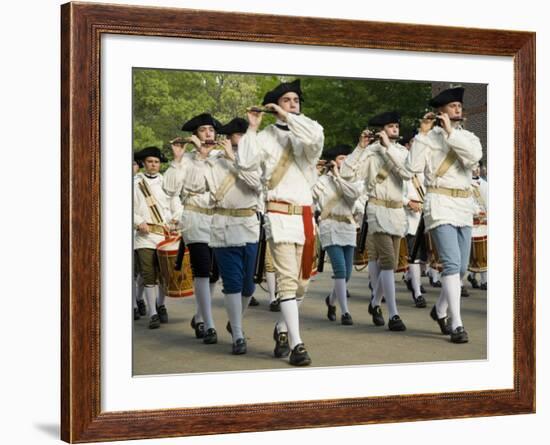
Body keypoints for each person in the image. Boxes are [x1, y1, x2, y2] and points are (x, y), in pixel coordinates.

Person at [237, 79, 324, 366]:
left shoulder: (307, 132)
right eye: (286, 100)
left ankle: (283, 329)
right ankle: (298, 345)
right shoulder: (264, 137)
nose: (292, 104)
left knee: (302, 285)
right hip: (279, 215)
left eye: (295, 100)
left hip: (306, 218)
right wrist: (252, 126)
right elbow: (245, 162)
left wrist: (289, 117)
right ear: (275, 106)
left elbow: (315, 139)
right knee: (287, 282)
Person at [408, 87, 483, 343]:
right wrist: (422, 134)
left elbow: (474, 159)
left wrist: (451, 132)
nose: (458, 110)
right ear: (441, 112)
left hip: (463, 206)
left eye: (459, 107)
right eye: (452, 107)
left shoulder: (469, 137)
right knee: (451, 264)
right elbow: (413, 168)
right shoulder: (427, 139)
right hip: (439, 204)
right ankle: (457, 323)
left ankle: (439, 310)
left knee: (460, 268)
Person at [340, 111, 411, 331]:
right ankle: (394, 314)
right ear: (382, 130)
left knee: (388, 264)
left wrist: (388, 147)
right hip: (378, 209)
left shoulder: (401, 151)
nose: (395, 129)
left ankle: (374, 303)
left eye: (396, 126)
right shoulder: (370, 152)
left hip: (398, 212)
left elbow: (408, 174)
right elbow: (347, 174)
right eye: (390, 127)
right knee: (388, 261)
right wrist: (360, 147)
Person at [163, 113, 222, 345]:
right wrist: (178, 160)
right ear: (194, 136)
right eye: (203, 130)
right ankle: (209, 325)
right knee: (202, 270)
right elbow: (170, 190)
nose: (208, 134)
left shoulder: (220, 157)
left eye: (211, 130)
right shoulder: (186, 159)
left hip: (218, 219)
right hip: (195, 218)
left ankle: (199, 316)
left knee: (215, 274)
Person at [205, 117, 262, 354]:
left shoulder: (256, 159)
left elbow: (257, 186)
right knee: (233, 283)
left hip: (249, 226)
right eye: (241, 135)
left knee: (249, 286)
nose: (246, 140)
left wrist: (235, 161)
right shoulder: (212, 161)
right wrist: (206, 156)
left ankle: (234, 321)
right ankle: (238, 334)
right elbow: (197, 186)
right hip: (223, 226)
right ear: (229, 138)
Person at [312, 144, 363, 325]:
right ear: (333, 161)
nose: (345, 161)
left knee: (347, 273)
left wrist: (339, 178)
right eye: (342, 158)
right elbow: (311, 195)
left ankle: (331, 301)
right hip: (329, 226)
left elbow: (352, 196)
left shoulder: (353, 179)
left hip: (348, 226)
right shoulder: (321, 181)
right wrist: (315, 171)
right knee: (340, 270)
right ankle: (345, 311)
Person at [133, 147, 182, 329]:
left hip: (164, 234)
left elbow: (176, 201)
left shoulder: (166, 182)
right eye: (149, 162)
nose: (153, 165)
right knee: (148, 274)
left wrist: (177, 217)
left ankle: (161, 305)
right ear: (144, 164)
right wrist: (138, 221)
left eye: (156, 162)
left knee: (164, 274)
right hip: (144, 236)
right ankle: (153, 312)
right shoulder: (134, 183)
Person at [401, 131, 428, 308]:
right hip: (409, 218)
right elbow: (394, 193)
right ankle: (417, 293)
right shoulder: (403, 169)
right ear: (408, 147)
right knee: (415, 258)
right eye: (413, 143)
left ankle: (411, 278)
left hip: (425, 218)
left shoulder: (425, 168)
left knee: (424, 259)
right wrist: (408, 202)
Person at [467, 163, 488, 290]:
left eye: (478, 167)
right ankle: (471, 275)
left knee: (485, 252)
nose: (477, 170)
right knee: (473, 254)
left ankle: (484, 281)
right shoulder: (466, 184)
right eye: (474, 167)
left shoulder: (486, 185)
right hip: (471, 221)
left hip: (484, 221)